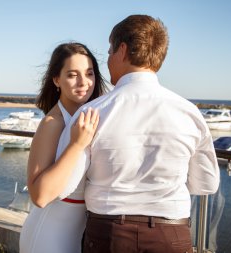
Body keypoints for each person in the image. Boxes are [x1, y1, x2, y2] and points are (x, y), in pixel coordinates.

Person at [54, 15, 220, 253]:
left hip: (109, 235)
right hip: (170, 235)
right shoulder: (189, 113)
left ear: (122, 50)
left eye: (110, 50)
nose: (108, 59)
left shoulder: (92, 113)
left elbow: (66, 186)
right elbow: (207, 184)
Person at [19, 42, 107, 253]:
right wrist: (76, 145)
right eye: (72, 75)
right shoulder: (53, 123)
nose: (83, 82)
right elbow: (39, 196)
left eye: (89, 73)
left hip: (81, 235)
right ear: (56, 80)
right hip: (49, 235)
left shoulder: (92, 116)